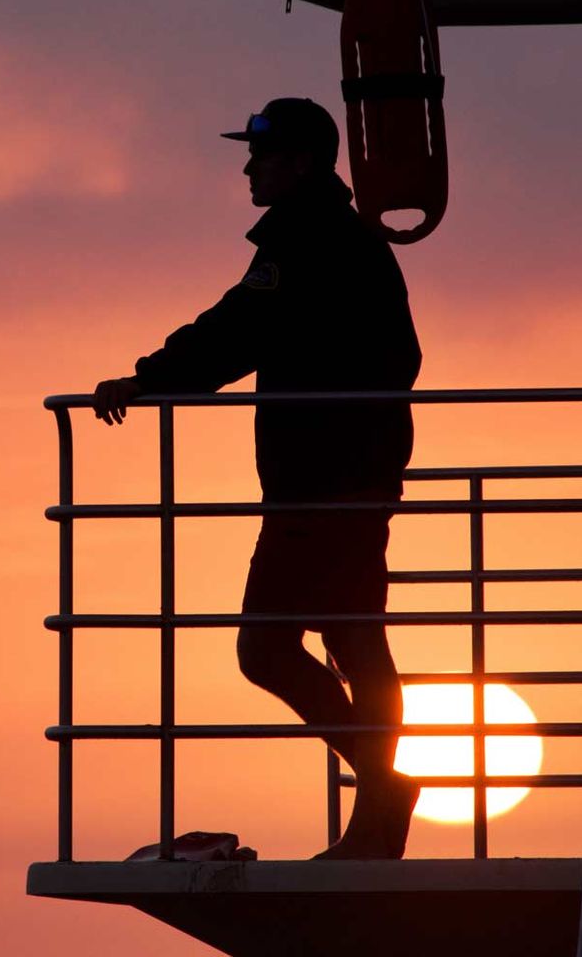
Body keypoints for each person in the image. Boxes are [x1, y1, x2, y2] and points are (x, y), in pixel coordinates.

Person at [92, 96, 422, 859]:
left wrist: (146, 380)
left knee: (269, 648)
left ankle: (384, 790)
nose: (247, 166)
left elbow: (239, 329)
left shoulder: (308, 240)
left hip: (321, 485)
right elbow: (389, 355)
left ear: (300, 163)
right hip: (347, 477)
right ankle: (379, 810)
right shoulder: (346, 240)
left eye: (260, 155)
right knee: (353, 637)